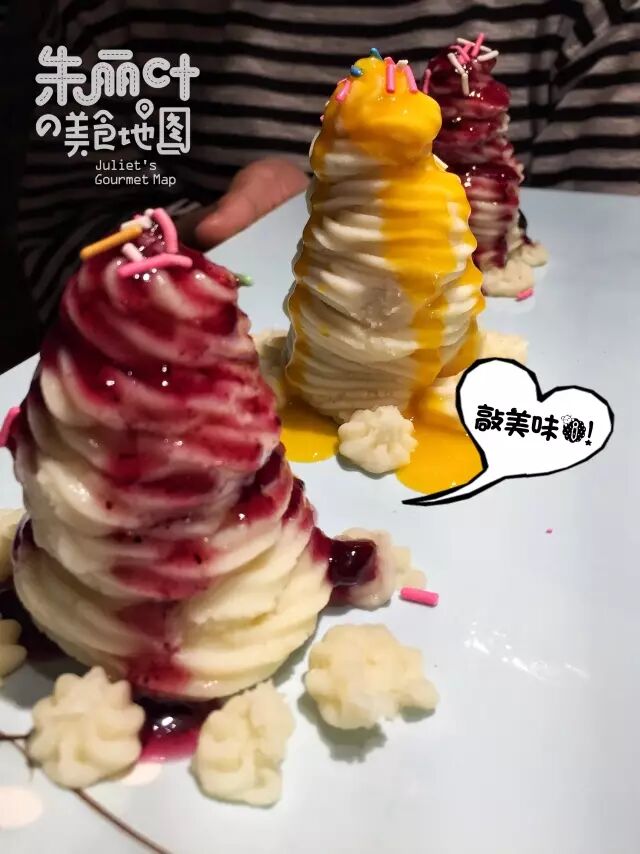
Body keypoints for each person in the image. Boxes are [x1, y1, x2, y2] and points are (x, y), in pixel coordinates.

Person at [1, 0, 638, 367]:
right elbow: (63, 242)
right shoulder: (117, 17)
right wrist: (189, 236)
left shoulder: (588, 17)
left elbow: (607, 286)